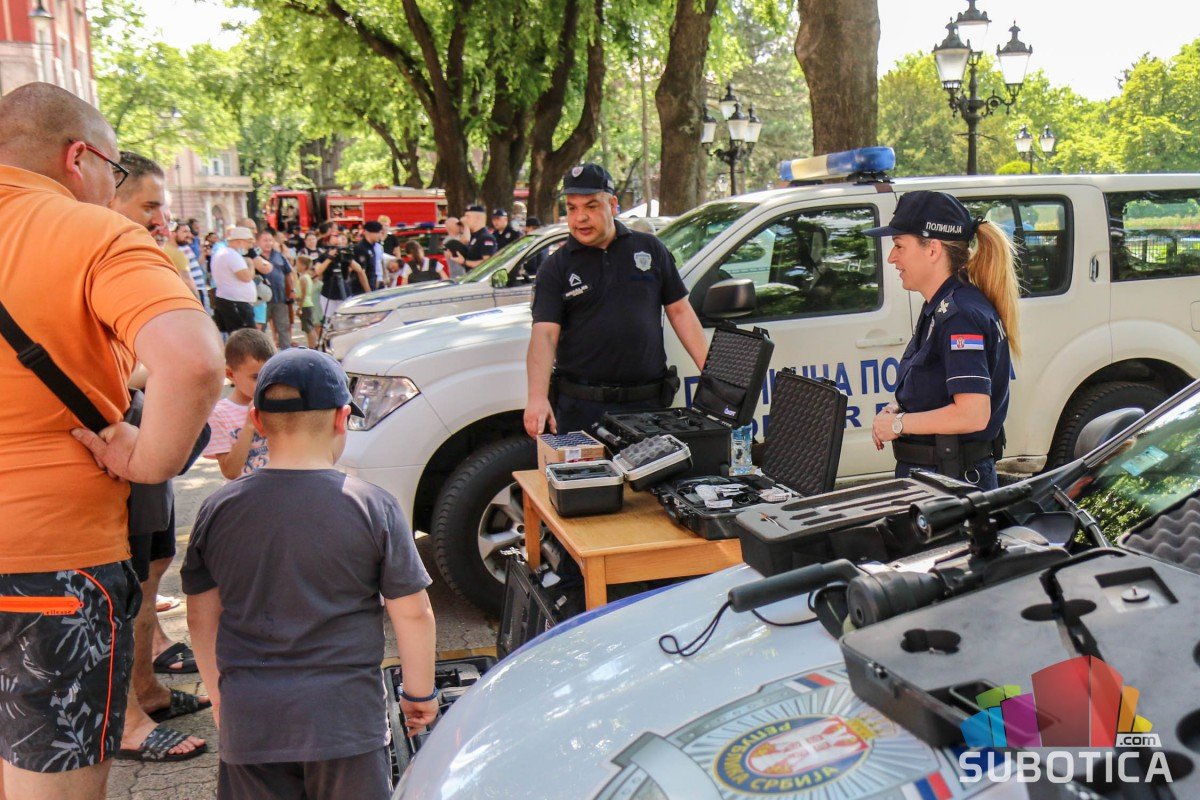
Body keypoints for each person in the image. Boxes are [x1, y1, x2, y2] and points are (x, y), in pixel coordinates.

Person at [0, 82, 223, 800]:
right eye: (113, 168)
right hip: (49, 558)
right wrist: (149, 458)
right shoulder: (91, 234)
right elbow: (194, 362)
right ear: (79, 158)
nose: (112, 185)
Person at [182, 348, 438, 800]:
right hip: (345, 721)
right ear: (342, 419)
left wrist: (221, 698)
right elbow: (413, 613)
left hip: (251, 718)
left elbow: (201, 618)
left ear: (257, 421)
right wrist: (419, 695)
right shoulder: (373, 506)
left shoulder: (217, 509)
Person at [107, 155, 211, 766]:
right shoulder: (93, 255)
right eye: (149, 206)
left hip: (143, 437)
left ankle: (144, 690)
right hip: (121, 445)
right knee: (124, 582)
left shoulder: (134, 257)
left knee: (150, 566)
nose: (160, 220)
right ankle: (126, 719)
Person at [524, 163, 708, 436]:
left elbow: (680, 311)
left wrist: (711, 374)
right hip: (581, 408)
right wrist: (537, 397)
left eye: (591, 206)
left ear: (612, 205)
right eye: (572, 208)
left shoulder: (650, 249)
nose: (580, 218)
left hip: (647, 406)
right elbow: (545, 335)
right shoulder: (556, 267)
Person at [865, 190, 1021, 490]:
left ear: (933, 249)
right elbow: (938, 391)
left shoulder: (959, 315)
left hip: (952, 483)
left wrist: (899, 424)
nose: (892, 257)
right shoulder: (942, 306)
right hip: (939, 479)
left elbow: (973, 414)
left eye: (899, 245)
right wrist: (901, 410)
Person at [203, 329, 275, 479]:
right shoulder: (219, 414)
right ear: (230, 374)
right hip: (245, 492)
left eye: (269, 376)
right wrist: (249, 425)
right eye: (256, 377)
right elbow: (230, 472)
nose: (264, 384)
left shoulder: (275, 403)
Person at [211, 226, 260, 332]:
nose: (250, 246)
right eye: (248, 242)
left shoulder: (224, 253)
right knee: (246, 337)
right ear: (239, 241)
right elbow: (246, 277)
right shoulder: (231, 255)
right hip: (236, 303)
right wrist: (251, 264)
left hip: (231, 301)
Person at [256, 228, 295, 350]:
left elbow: (288, 274)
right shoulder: (255, 257)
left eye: (270, 240)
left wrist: (292, 290)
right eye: (265, 240)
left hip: (280, 298)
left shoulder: (279, 256)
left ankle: (286, 353)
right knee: (260, 329)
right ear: (258, 242)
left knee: (283, 327)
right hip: (261, 301)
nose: (268, 243)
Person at [447, 205, 496, 274]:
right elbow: (463, 242)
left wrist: (465, 262)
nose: (464, 219)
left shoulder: (486, 238)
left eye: (468, 217)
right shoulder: (473, 236)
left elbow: (488, 263)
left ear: (478, 218)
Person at [354, 219, 388, 291]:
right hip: (362, 289)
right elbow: (361, 271)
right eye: (378, 233)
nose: (380, 235)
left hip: (373, 284)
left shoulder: (373, 247)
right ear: (369, 232)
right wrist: (368, 291)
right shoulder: (361, 248)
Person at [294, 255, 319, 348]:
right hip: (308, 303)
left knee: (308, 327)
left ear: (303, 266)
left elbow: (303, 294)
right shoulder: (308, 277)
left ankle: (312, 346)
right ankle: (313, 344)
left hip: (305, 305)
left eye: (298, 264)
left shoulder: (303, 278)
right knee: (308, 326)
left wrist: (299, 308)